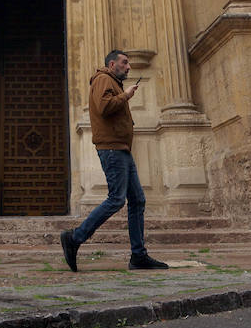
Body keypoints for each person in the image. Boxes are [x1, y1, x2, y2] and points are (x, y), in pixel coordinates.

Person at [60, 49, 169, 271]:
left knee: (137, 200)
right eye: (124, 63)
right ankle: (74, 238)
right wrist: (126, 96)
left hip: (121, 149)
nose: (129, 67)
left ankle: (138, 256)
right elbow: (104, 107)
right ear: (112, 65)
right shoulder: (102, 79)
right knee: (117, 199)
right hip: (112, 149)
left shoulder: (112, 82)